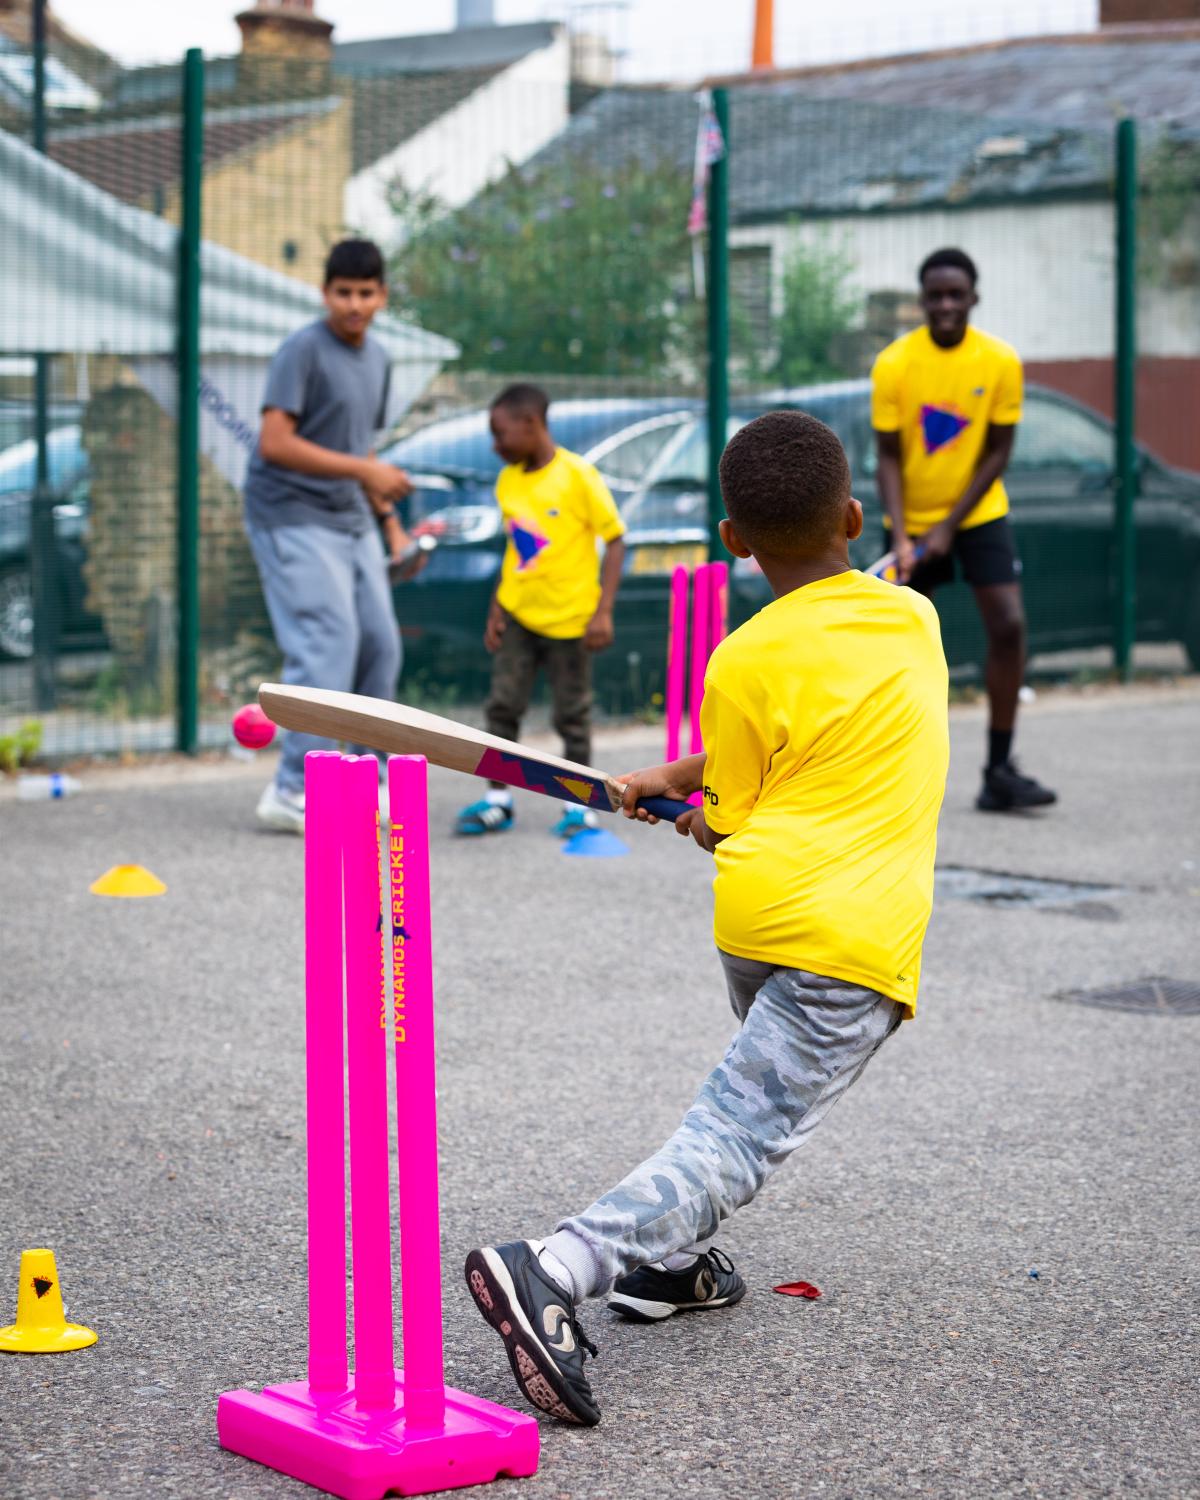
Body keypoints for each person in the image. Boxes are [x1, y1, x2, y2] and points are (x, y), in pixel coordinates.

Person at [463, 411, 949, 1427]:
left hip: (756, 922)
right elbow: (796, 760)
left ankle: (670, 1267)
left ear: (732, 541)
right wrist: (690, 801)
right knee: (739, 1135)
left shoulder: (738, 659)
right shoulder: (913, 621)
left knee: (739, 1103)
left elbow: (733, 809)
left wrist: (682, 795)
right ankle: (557, 1265)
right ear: (855, 518)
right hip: (846, 941)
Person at [244, 238, 421, 833]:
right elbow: (275, 442)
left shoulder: (379, 358)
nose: (354, 304)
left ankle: (364, 781)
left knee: (379, 645)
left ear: (382, 296)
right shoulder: (302, 351)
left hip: (349, 517)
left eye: (365, 293)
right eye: (342, 292)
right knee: (329, 641)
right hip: (289, 513)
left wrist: (391, 526)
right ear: (325, 294)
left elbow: (359, 447)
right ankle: (293, 788)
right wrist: (366, 471)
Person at [872, 246, 1055, 813]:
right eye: (935, 295)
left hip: (977, 517)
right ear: (921, 300)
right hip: (907, 524)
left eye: (956, 294)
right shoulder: (895, 364)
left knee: (1008, 625)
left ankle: (999, 771)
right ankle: (889, 774)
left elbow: (998, 452)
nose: (946, 304)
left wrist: (950, 525)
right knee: (896, 650)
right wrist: (903, 537)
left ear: (973, 297)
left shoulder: (1000, 362)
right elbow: (887, 458)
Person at [455, 383, 627, 838]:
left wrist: (603, 611)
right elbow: (517, 550)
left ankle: (578, 806)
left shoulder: (577, 476)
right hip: (518, 616)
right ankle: (498, 800)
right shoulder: (508, 480)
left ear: (532, 424)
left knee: (571, 714)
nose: (495, 445)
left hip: (570, 621)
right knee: (503, 707)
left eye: (500, 433)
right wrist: (497, 607)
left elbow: (615, 541)